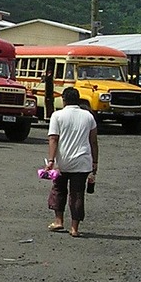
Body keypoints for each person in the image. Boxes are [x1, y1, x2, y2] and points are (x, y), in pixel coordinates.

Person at [45, 86, 98, 237]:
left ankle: (58, 221)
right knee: (77, 194)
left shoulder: (57, 115)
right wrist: (95, 162)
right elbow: (93, 141)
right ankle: (74, 228)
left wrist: (50, 160)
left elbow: (53, 138)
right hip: (82, 161)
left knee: (59, 189)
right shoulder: (88, 116)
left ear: (64, 100)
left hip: (63, 162)